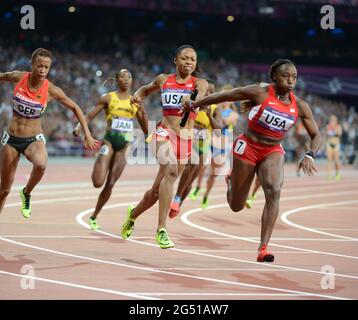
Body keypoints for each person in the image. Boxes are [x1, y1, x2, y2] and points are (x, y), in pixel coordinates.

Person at [184, 58, 322, 262]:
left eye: (294, 77)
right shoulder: (260, 93)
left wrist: (310, 154)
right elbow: (226, 95)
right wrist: (195, 104)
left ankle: (263, 248)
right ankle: (232, 182)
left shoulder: (300, 106)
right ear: (275, 76)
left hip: (272, 150)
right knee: (236, 205)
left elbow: (316, 135)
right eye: (286, 76)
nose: (291, 80)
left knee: (274, 191)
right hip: (247, 147)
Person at [121, 45, 208, 249]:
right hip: (163, 132)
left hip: (186, 140)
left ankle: (132, 215)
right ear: (175, 61)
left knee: (156, 191)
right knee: (169, 172)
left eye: (193, 60)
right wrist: (138, 96)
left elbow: (201, 93)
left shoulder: (200, 83)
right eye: (185, 58)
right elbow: (145, 89)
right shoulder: (163, 80)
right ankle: (161, 229)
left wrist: (194, 101)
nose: (189, 62)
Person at [0, 48, 98, 217]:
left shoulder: (52, 90)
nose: (42, 70)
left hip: (33, 139)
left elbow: (75, 107)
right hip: (12, 139)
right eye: (39, 66)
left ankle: (27, 192)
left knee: (41, 164)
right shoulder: (19, 77)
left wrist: (87, 134)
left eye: (46, 67)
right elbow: (3, 76)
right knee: (4, 190)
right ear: (32, 65)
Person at [73, 69, 148, 230]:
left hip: (124, 146)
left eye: (129, 77)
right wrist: (80, 127)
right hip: (109, 142)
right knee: (97, 182)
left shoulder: (135, 100)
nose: (126, 79)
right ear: (117, 80)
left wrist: (141, 110)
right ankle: (100, 161)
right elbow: (89, 115)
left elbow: (145, 127)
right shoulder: (108, 97)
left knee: (111, 182)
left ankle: (94, 216)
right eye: (123, 76)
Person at [168, 79, 222, 218]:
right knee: (190, 164)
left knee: (190, 182)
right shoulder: (192, 103)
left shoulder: (215, 108)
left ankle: (178, 201)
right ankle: (174, 196)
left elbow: (218, 130)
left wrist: (209, 115)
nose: (210, 93)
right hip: (188, 140)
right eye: (208, 90)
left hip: (203, 145)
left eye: (212, 91)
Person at [200, 87, 239, 209]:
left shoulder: (233, 114)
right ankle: (197, 187)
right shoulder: (215, 109)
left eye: (227, 98)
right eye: (223, 97)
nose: (225, 100)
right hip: (211, 140)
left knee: (214, 173)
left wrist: (215, 113)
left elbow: (223, 123)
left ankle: (206, 194)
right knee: (201, 164)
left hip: (222, 145)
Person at [325, 114, 342, 180]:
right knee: (329, 160)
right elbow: (326, 135)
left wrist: (333, 129)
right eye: (331, 120)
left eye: (333, 120)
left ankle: (337, 173)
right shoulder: (327, 126)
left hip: (336, 145)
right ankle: (329, 174)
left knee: (336, 161)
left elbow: (339, 134)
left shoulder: (338, 126)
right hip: (329, 144)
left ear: (336, 120)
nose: (332, 121)